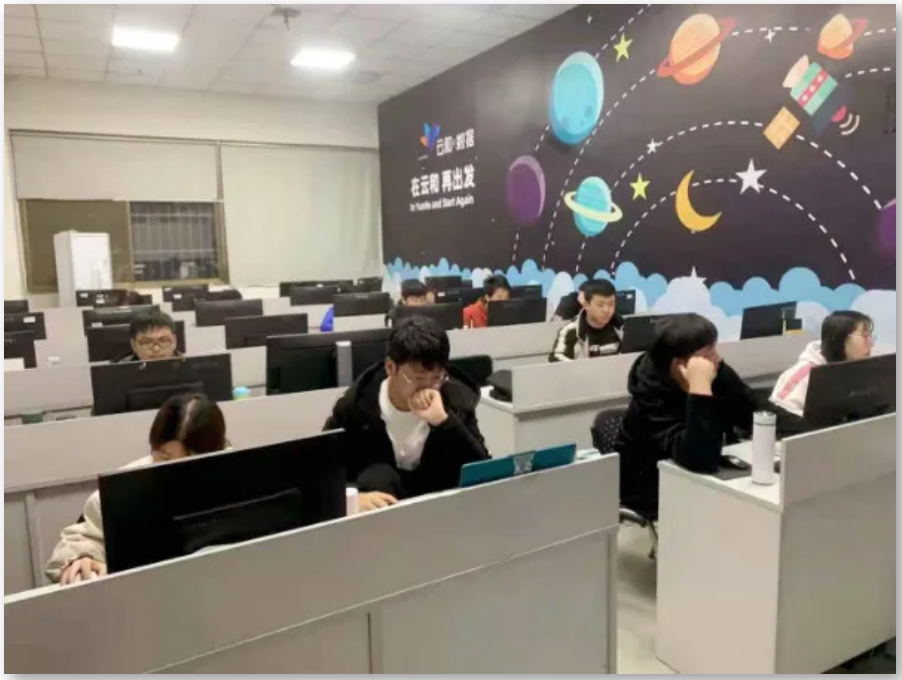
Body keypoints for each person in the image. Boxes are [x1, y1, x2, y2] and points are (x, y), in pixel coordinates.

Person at [45, 393, 228, 585]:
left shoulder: (235, 477)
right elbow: (79, 541)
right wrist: (83, 558)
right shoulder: (123, 489)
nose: (174, 473)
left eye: (189, 463)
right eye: (164, 459)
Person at [324, 316, 489, 510]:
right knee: (378, 475)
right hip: (381, 511)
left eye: (436, 377)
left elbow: (483, 471)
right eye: (418, 378)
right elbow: (324, 470)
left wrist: (445, 422)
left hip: (440, 508)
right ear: (390, 367)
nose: (428, 387)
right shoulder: (356, 405)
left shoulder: (455, 401)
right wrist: (353, 497)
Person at [614, 313, 759, 518]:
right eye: (707, 354)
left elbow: (757, 412)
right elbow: (700, 459)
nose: (717, 359)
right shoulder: (649, 401)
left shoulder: (714, 369)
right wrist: (700, 387)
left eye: (714, 349)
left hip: (706, 483)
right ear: (679, 365)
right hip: (656, 493)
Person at [769, 311, 874, 420]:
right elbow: (779, 415)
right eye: (865, 336)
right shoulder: (804, 374)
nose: (871, 343)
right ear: (840, 338)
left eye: (870, 336)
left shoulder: (861, 370)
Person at [549, 279, 623, 361]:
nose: (606, 310)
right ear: (586, 305)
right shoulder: (570, 331)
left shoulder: (623, 328)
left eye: (611, 304)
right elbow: (557, 361)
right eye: (600, 305)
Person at [113, 308, 181, 362]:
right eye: (147, 342)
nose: (156, 349)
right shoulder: (117, 372)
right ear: (133, 344)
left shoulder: (186, 368)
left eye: (163, 341)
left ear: (174, 341)